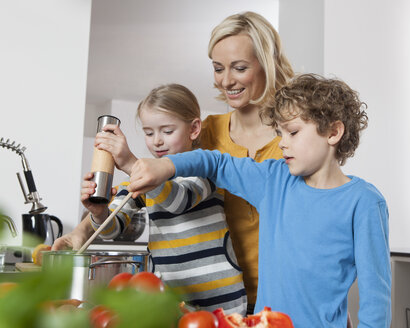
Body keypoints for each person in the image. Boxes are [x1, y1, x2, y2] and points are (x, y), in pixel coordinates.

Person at [127, 74, 392, 327]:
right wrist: (167, 166)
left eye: (293, 132)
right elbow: (216, 163)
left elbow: (375, 297)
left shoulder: (365, 202)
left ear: (333, 132)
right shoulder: (273, 179)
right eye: (280, 133)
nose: (283, 143)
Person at [54, 84, 247, 314]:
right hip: (173, 302)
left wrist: (129, 163)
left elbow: (179, 201)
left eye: (167, 131)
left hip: (222, 299)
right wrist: (99, 212)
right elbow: (111, 229)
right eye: (148, 132)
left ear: (194, 129)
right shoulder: (142, 177)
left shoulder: (207, 166)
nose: (157, 141)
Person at [201, 11, 294, 312]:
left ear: (267, 63)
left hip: (287, 298)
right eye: (218, 68)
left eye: (239, 68)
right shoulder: (206, 132)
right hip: (220, 301)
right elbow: (155, 186)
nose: (226, 81)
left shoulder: (297, 135)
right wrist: (88, 224)